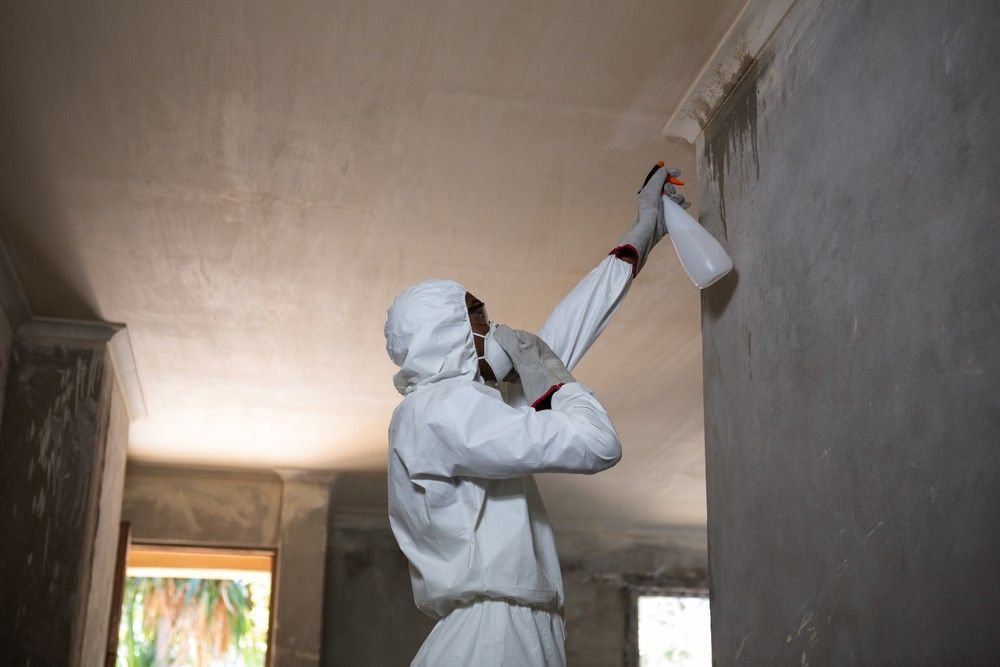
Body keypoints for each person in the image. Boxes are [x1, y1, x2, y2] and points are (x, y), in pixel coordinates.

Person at [383, 165, 685, 666]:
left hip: (498, 627)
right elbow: (596, 442)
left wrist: (640, 236)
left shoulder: (449, 410)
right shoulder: (442, 409)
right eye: (478, 313)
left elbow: (557, 340)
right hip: (496, 637)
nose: (492, 323)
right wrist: (552, 378)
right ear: (447, 332)